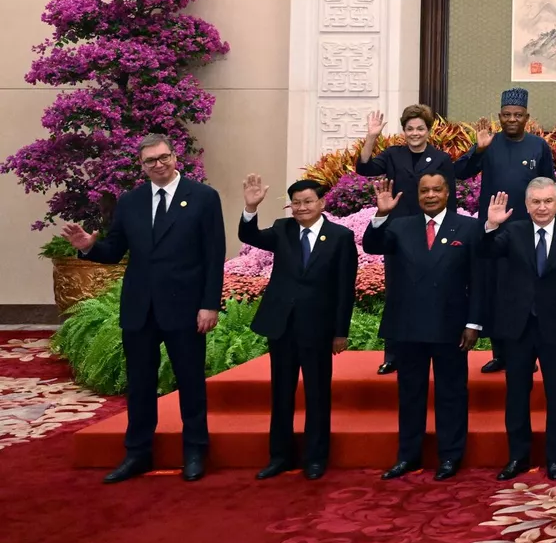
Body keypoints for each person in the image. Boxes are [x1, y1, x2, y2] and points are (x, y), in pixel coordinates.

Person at [62, 135, 225, 484]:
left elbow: (214, 256)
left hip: (185, 307)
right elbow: (115, 250)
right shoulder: (131, 202)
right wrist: (90, 246)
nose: (158, 165)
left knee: (191, 382)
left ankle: (195, 451)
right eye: (150, 161)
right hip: (140, 308)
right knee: (139, 384)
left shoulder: (203, 198)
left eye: (163, 157)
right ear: (142, 165)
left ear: (175, 156)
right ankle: (137, 453)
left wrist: (209, 304)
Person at [363, 171, 482, 480]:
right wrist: (380, 215)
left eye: (436, 190)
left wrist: (473, 322)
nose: (430, 195)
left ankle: (450, 457)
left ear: (448, 193)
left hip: (451, 327)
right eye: (424, 190)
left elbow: (481, 278)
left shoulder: (468, 227)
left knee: (452, 393)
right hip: (408, 327)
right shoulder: (400, 226)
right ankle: (408, 456)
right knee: (410, 393)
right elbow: (372, 246)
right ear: (418, 195)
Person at [237, 176, 356, 480]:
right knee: (281, 393)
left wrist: (340, 332)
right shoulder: (282, 229)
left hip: (318, 328)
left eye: (307, 201)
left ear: (322, 202)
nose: (301, 208)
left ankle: (315, 458)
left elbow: (345, 288)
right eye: (296, 203)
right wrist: (251, 206)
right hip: (283, 326)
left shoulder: (340, 236)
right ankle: (280, 456)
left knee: (317, 394)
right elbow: (249, 234)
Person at [480, 177, 556, 482]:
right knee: (516, 394)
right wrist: (490, 226)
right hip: (517, 328)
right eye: (536, 202)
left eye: (548, 201)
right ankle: (518, 456)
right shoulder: (512, 231)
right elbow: (486, 252)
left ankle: (555, 458)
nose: (542, 207)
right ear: (527, 205)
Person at [453, 89, 556, 375]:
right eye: (507, 115)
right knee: (495, 290)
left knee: (524, 291)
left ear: (527, 118)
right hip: (492, 231)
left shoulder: (539, 146)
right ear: (499, 117)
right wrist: (479, 150)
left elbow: (548, 187)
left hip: (528, 231)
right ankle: (501, 353)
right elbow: (459, 172)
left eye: (518, 115)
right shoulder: (490, 143)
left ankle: (528, 352)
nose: (512, 120)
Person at [357, 105, 455, 375]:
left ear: (428, 130)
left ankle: (434, 346)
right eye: (409, 129)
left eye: (420, 128)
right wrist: (372, 137)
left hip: (433, 231)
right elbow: (364, 168)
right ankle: (393, 354)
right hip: (398, 233)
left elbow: (452, 199)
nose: (414, 133)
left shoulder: (441, 158)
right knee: (397, 292)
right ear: (404, 131)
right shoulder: (392, 155)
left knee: (435, 289)